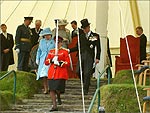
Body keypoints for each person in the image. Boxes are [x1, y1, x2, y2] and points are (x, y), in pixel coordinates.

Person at [70, 19, 101, 94]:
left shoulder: (95, 36)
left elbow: (98, 47)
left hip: (89, 56)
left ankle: (85, 89)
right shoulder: (81, 36)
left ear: (88, 27)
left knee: (87, 72)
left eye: (85, 28)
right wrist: (69, 50)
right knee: (78, 71)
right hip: (81, 55)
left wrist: (97, 57)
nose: (84, 30)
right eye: (83, 29)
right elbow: (77, 47)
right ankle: (85, 81)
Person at [45, 36, 70, 112]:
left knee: (58, 89)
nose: (57, 44)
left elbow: (67, 62)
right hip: (52, 73)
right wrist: (52, 60)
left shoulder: (64, 52)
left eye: (58, 42)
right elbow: (46, 62)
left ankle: (58, 96)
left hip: (60, 73)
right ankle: (54, 105)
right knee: (51, 89)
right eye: (56, 42)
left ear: (61, 43)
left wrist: (59, 63)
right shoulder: (51, 51)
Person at [36, 27, 55, 94]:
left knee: (49, 75)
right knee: (43, 75)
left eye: (48, 35)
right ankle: (45, 88)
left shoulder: (53, 42)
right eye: (45, 35)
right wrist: (37, 59)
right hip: (43, 60)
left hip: (51, 60)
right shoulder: (42, 41)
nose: (47, 36)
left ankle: (51, 88)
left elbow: (55, 51)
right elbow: (39, 51)